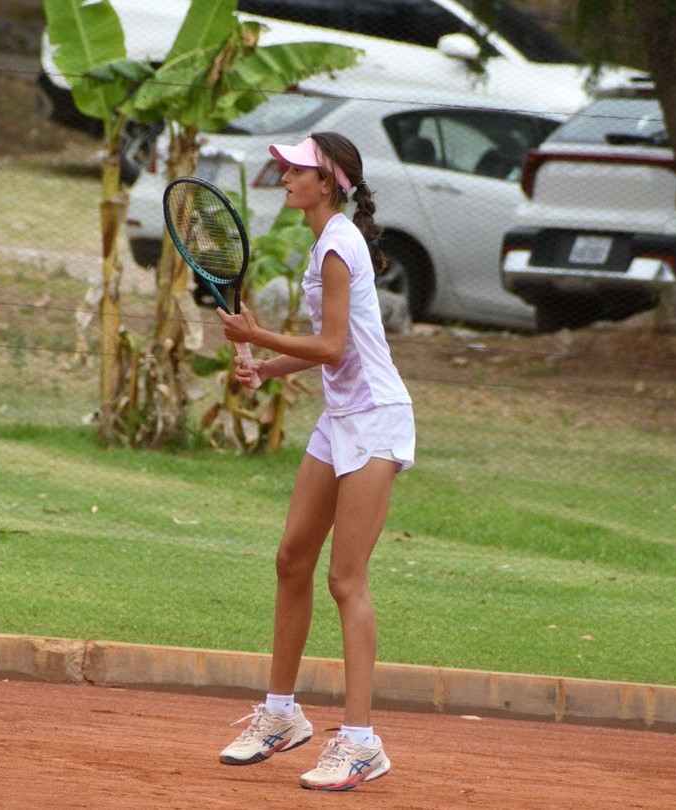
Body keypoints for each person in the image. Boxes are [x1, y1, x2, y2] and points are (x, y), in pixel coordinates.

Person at [216, 132, 415, 792]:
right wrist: (268, 366)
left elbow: (331, 346)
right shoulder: (327, 239)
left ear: (328, 181)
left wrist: (253, 334)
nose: (285, 176)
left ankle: (361, 742)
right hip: (340, 422)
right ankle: (281, 716)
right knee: (291, 559)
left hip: (376, 423)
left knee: (345, 580)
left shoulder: (337, 244)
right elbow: (338, 345)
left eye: (297, 169)